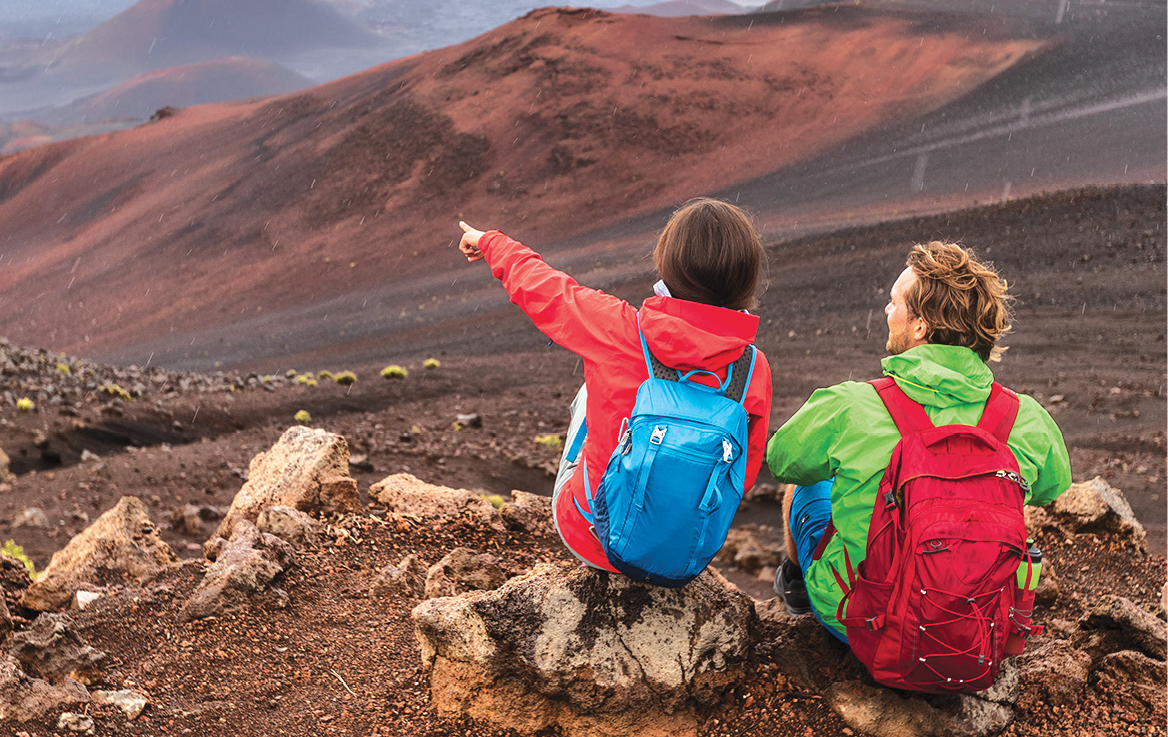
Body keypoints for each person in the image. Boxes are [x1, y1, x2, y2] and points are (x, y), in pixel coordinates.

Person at [767, 240, 1071, 641]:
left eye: (894, 303)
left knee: (807, 485)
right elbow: (1052, 486)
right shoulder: (1025, 418)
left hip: (865, 623)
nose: (887, 311)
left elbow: (782, 459)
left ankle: (796, 589)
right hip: (973, 631)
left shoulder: (851, 405)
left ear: (920, 327)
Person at [458, 198, 772, 573]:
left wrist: (490, 241)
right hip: (682, 556)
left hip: (591, 536)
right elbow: (745, 475)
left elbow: (545, 288)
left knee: (595, 385)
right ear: (746, 279)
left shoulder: (618, 329)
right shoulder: (754, 369)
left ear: (668, 267)